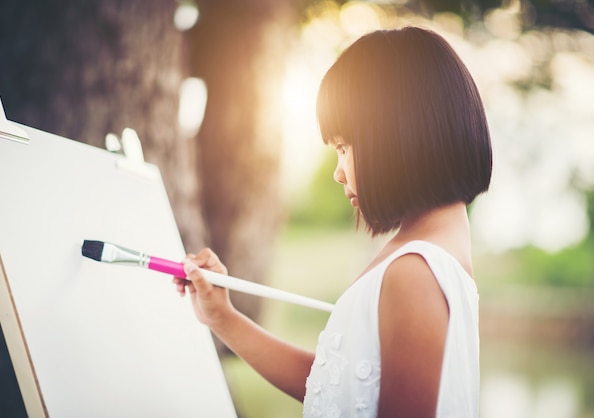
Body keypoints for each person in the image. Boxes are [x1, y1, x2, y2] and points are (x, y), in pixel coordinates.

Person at [174, 25, 492, 418]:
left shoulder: (414, 272)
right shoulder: (428, 256)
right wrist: (222, 317)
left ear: (395, 135)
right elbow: (336, 384)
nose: (338, 173)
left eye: (344, 147)